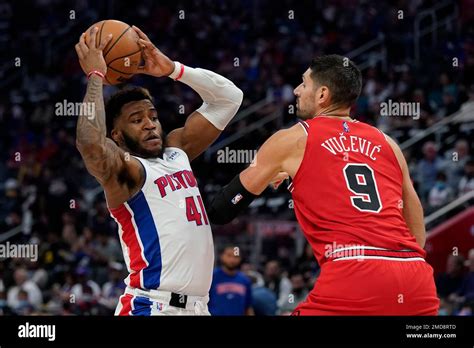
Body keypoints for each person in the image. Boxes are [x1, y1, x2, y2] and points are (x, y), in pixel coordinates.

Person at [207, 54, 439, 315]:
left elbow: (221, 209)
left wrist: (264, 176)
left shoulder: (292, 139)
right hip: (415, 276)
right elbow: (414, 216)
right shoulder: (388, 143)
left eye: (303, 83)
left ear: (322, 95)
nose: (296, 90)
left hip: (354, 272)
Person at [74, 25, 243, 315]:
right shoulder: (126, 172)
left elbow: (230, 98)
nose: (150, 123)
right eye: (137, 120)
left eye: (152, 116)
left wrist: (174, 69)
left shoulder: (177, 151)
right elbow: (89, 144)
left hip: (199, 308)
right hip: (152, 306)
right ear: (116, 135)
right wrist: (96, 78)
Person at [208, 246, 253, 315]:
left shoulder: (245, 281)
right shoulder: (211, 277)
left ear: (240, 258)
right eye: (229, 255)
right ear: (222, 256)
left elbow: (248, 307)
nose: (232, 259)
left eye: (236, 256)